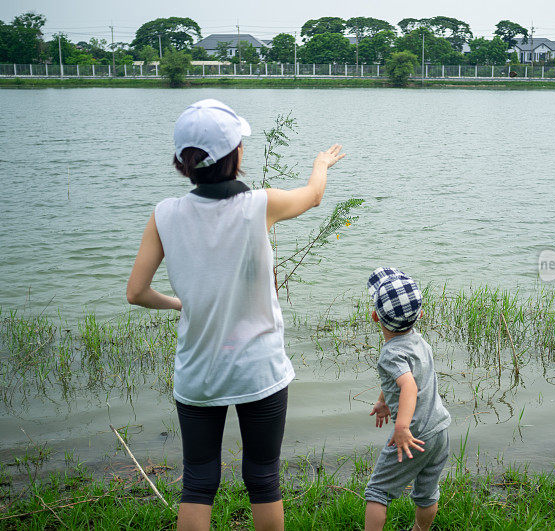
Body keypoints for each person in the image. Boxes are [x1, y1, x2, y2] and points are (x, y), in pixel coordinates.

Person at [126, 98, 345, 531]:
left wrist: (178, 304)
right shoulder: (258, 205)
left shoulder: (165, 214)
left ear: (182, 162)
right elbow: (315, 196)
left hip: (198, 371)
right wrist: (321, 163)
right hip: (257, 370)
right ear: (236, 156)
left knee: (198, 482)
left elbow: (136, 292)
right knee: (263, 479)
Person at [364, 267, 452, 531]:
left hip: (413, 435)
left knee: (377, 492)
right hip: (439, 430)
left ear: (374, 317)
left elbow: (409, 387)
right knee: (427, 492)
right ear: (420, 316)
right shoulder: (420, 342)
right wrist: (383, 400)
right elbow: (402, 380)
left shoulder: (390, 353)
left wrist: (401, 428)